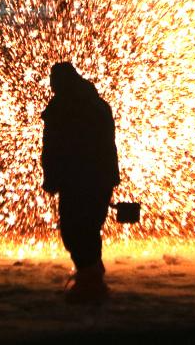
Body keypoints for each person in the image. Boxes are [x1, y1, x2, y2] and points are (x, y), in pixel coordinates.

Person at [41, 62, 120, 304]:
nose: (51, 84)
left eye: (54, 79)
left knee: (75, 229)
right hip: (98, 179)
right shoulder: (97, 104)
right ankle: (91, 277)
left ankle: (90, 282)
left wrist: (52, 177)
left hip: (76, 178)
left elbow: (54, 147)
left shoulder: (62, 107)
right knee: (88, 228)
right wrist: (110, 177)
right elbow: (107, 146)